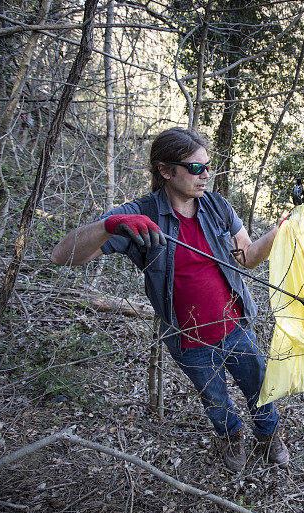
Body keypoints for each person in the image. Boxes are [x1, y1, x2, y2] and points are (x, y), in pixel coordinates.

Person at [50, 127, 288, 472]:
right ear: (165, 170)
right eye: (195, 168)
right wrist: (110, 225)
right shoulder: (140, 216)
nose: (205, 175)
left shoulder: (216, 206)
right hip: (188, 339)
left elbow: (248, 256)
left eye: (208, 166)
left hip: (235, 325)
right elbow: (62, 256)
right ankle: (231, 438)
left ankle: (268, 435)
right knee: (215, 400)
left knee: (260, 388)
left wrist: (281, 230)